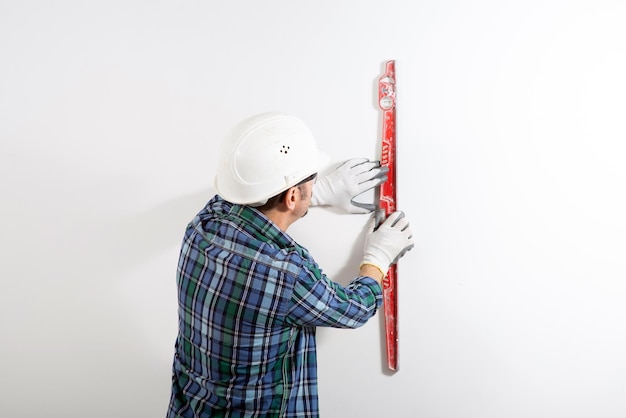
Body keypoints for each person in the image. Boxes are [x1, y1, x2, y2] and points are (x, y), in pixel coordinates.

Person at [167, 112, 414, 417]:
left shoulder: (204, 223)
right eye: (312, 180)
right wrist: (378, 257)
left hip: (191, 407)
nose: (315, 182)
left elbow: (243, 203)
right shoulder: (287, 273)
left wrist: (315, 194)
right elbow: (354, 309)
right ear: (292, 195)